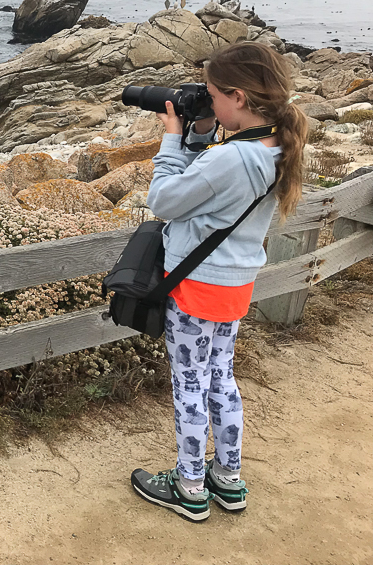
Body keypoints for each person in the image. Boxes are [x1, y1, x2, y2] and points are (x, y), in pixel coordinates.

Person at [129, 41, 308, 521]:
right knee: (221, 379)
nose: (207, 101)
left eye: (213, 96)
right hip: (233, 285)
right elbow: (214, 186)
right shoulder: (275, 143)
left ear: (239, 97)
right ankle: (227, 480)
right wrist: (204, 132)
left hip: (196, 287)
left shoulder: (232, 158)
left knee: (190, 385)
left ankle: (189, 488)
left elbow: (164, 201)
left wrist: (172, 138)